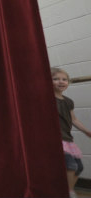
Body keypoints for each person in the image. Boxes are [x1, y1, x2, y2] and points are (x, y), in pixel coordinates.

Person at [52, 67, 91, 198]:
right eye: (56, 79)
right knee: (71, 165)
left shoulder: (68, 102)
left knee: (79, 167)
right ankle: (66, 192)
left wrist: (87, 131)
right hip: (56, 139)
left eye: (64, 79)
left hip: (67, 139)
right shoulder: (47, 100)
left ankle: (69, 190)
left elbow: (74, 119)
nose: (61, 82)